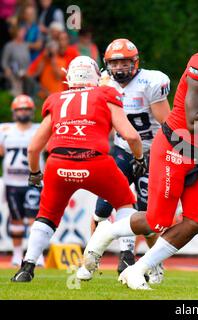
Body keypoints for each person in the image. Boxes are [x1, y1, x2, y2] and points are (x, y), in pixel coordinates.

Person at [79, 14, 198, 290]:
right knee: (158, 220)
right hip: (176, 147)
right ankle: (107, 232)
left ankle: (139, 267)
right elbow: (195, 121)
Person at [11, 56, 145, 282]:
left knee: (47, 216)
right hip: (95, 162)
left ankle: (26, 267)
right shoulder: (105, 93)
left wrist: (35, 174)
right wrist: (139, 158)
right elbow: (131, 135)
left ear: (69, 76)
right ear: (96, 74)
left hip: (58, 164)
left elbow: (33, 149)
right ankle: (126, 257)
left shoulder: (55, 99)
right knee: (125, 202)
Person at [90, 38, 170, 282]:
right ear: (107, 64)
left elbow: (167, 125)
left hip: (152, 151)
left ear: (136, 62)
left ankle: (154, 263)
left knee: (147, 216)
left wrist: (172, 155)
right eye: (115, 63)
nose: (120, 68)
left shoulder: (150, 82)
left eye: (125, 62)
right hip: (124, 149)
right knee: (101, 209)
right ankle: (90, 260)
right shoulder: (102, 82)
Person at [0, 94, 44, 266]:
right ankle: (17, 254)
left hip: (33, 180)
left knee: (35, 219)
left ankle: (35, 255)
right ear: (14, 112)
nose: (23, 112)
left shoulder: (39, 129)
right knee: (16, 219)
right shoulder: (5, 130)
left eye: (26, 109)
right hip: (12, 181)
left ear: (32, 111)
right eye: (20, 109)